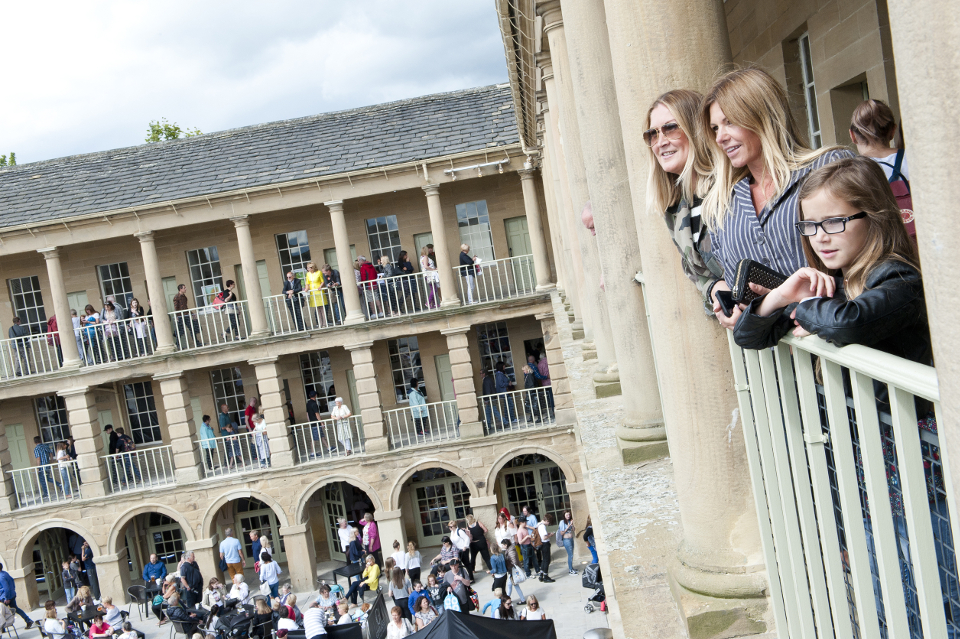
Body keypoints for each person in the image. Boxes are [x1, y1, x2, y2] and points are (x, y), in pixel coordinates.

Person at [700, 67, 852, 330]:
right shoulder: (720, 207)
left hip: (842, 340)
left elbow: (874, 263)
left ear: (762, 115)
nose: (720, 137)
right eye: (715, 128)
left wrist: (810, 304)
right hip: (770, 353)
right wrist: (729, 304)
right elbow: (730, 285)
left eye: (730, 122)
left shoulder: (829, 168)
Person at [644, 91, 723, 314]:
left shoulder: (730, 187)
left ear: (696, 129)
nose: (661, 142)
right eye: (652, 134)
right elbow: (697, 273)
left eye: (670, 128)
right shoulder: (675, 207)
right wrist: (714, 289)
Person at [849, 99, 914, 236]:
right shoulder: (914, 159)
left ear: (852, 135)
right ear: (892, 131)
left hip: (880, 240)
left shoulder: (851, 171)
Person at [0, 564, 31, 629]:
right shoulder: (5, 573)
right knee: (15, 609)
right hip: (11, 595)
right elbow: (12, 581)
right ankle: (28, 620)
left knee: (2, 611)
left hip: (5, 597)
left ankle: (2, 626)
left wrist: (7, 598)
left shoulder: (1, 577)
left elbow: (6, 589)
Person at [32, 436, 60, 500]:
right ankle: (59, 485)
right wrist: (51, 461)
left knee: (42, 480)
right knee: (47, 478)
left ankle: (46, 493)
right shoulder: (46, 446)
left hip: (42, 466)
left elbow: (38, 459)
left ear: (34, 442)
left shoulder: (36, 449)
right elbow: (51, 454)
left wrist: (38, 468)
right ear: (40, 440)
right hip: (47, 465)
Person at [304, 262, 329, 328]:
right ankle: (320, 323)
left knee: (322, 308)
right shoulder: (308, 274)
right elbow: (307, 283)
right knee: (317, 309)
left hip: (319, 291)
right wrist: (306, 288)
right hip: (313, 292)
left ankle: (324, 323)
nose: (308, 269)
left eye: (308, 268)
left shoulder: (319, 272)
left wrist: (320, 286)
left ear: (312, 268)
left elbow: (322, 281)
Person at [536, 514, 556, 582]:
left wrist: (548, 533)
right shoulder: (542, 526)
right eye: (549, 522)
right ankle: (545, 576)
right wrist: (550, 535)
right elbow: (544, 537)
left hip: (542, 544)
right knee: (547, 560)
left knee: (544, 560)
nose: (548, 524)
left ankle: (541, 575)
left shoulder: (539, 524)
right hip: (545, 544)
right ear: (546, 520)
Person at [557, 510, 577, 576]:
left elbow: (573, 530)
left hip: (571, 539)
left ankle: (572, 568)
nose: (568, 516)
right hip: (566, 540)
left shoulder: (569, 521)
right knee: (570, 555)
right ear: (564, 515)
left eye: (569, 514)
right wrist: (568, 526)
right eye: (567, 515)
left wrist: (572, 525)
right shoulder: (562, 522)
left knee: (571, 554)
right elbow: (562, 533)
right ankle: (570, 570)